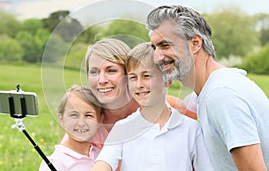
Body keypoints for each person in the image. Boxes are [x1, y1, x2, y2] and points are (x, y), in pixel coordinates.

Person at [147, 5, 269, 170]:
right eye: (155, 47)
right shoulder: (214, 88)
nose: (157, 57)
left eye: (165, 45)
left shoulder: (222, 96)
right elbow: (182, 106)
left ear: (195, 43)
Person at [91, 42, 213, 171]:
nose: (139, 84)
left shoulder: (192, 129)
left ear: (167, 79)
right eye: (133, 77)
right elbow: (103, 164)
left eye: (146, 76)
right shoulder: (123, 128)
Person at [39, 85, 103, 171]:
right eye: (74, 115)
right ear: (61, 119)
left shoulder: (101, 155)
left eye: (88, 115)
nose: (81, 123)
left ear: (99, 120)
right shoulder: (56, 163)